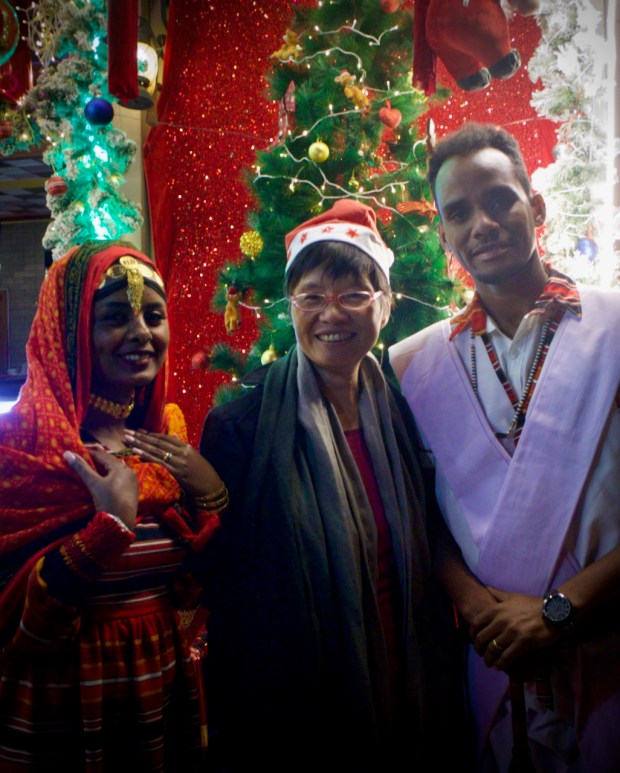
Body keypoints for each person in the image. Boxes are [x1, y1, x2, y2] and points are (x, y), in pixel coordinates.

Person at [198, 199, 467, 772]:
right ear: (291, 306)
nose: (331, 314)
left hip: (412, 676)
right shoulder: (239, 429)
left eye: (353, 295)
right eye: (312, 297)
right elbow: (226, 591)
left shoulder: (408, 410)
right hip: (298, 705)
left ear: (385, 304)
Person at [389, 121, 620, 771]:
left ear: (535, 206)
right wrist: (472, 603)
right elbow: (422, 520)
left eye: (499, 200)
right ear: (444, 236)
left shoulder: (614, 327)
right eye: (459, 213)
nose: (482, 225)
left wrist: (558, 612)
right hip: (499, 677)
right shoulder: (414, 365)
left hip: (608, 654)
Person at [0, 241, 227, 771]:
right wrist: (107, 529)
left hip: (158, 694)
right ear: (71, 332)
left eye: (154, 316)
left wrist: (211, 493)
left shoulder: (163, 441)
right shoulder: (27, 452)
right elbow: (24, 632)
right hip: (63, 706)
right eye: (115, 317)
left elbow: (198, 590)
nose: (142, 333)